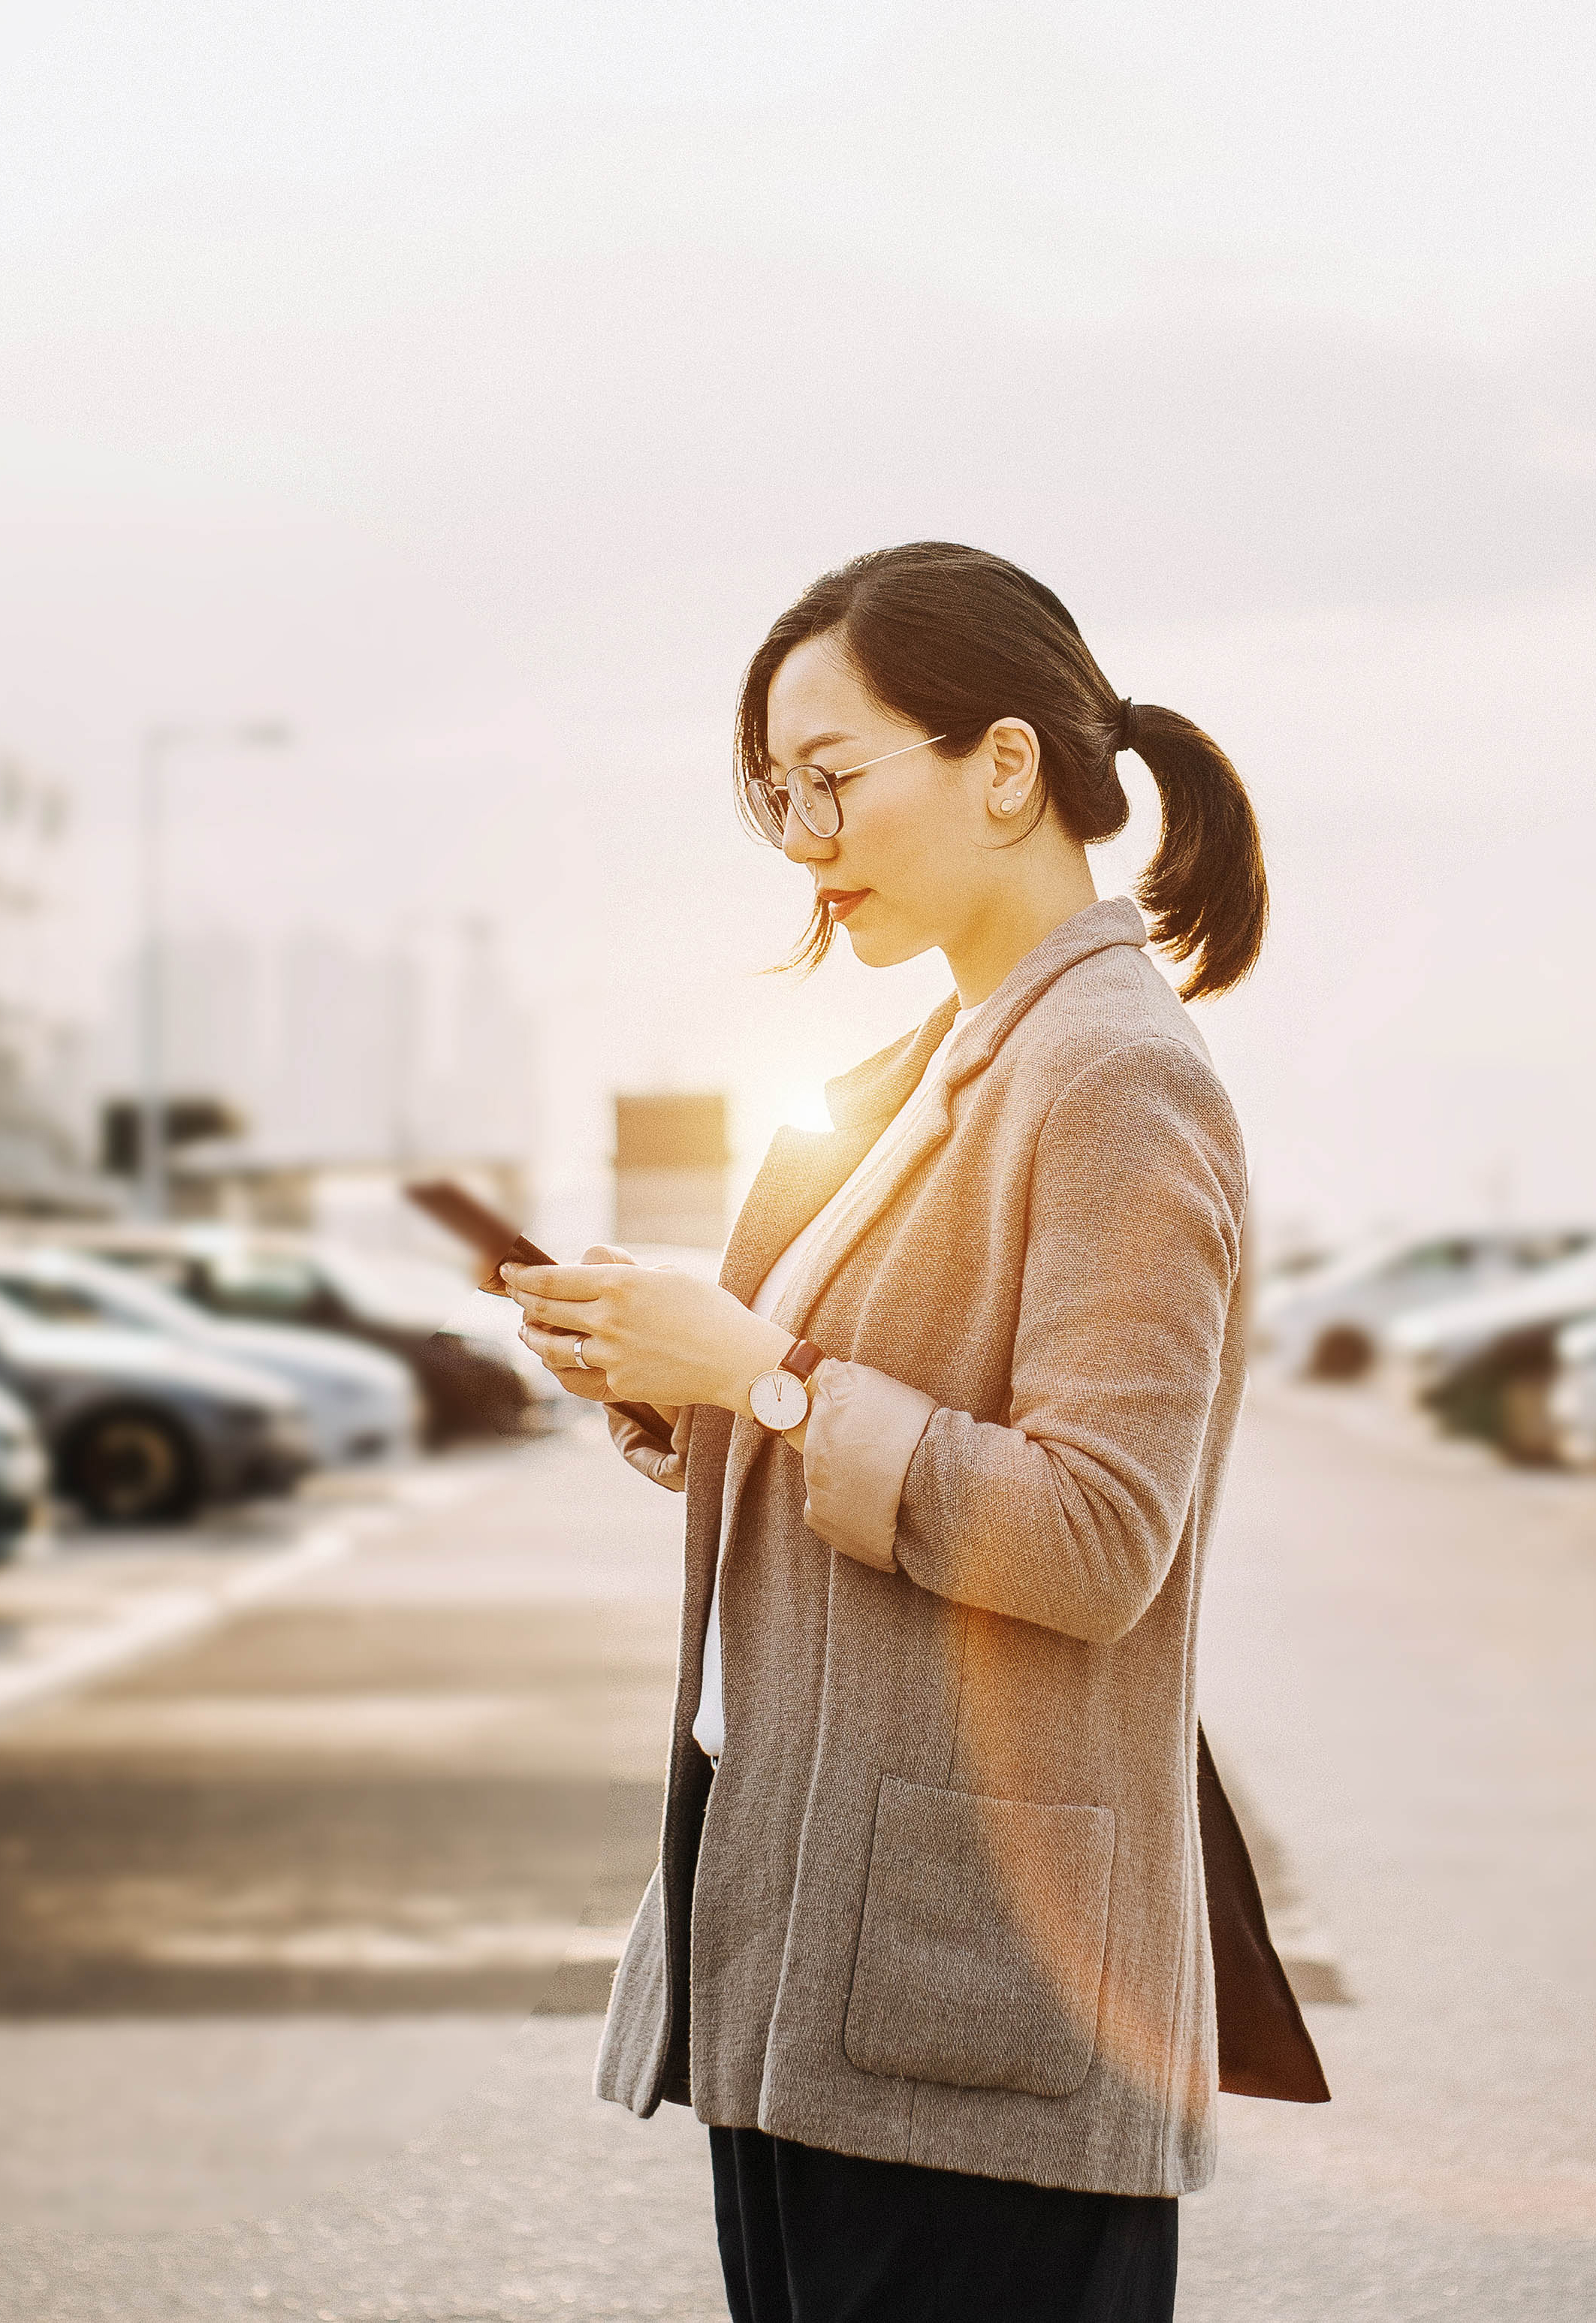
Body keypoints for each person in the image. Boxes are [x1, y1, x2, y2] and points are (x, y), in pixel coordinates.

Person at [501, 542, 1275, 2322]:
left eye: (833, 778)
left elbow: (1092, 1535)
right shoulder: (943, 1060)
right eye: (778, 793)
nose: (801, 836)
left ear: (1003, 765)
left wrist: (760, 1371)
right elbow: (843, 1412)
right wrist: (675, 1382)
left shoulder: (1112, 1075)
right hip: (816, 1960)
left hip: (966, 2006)